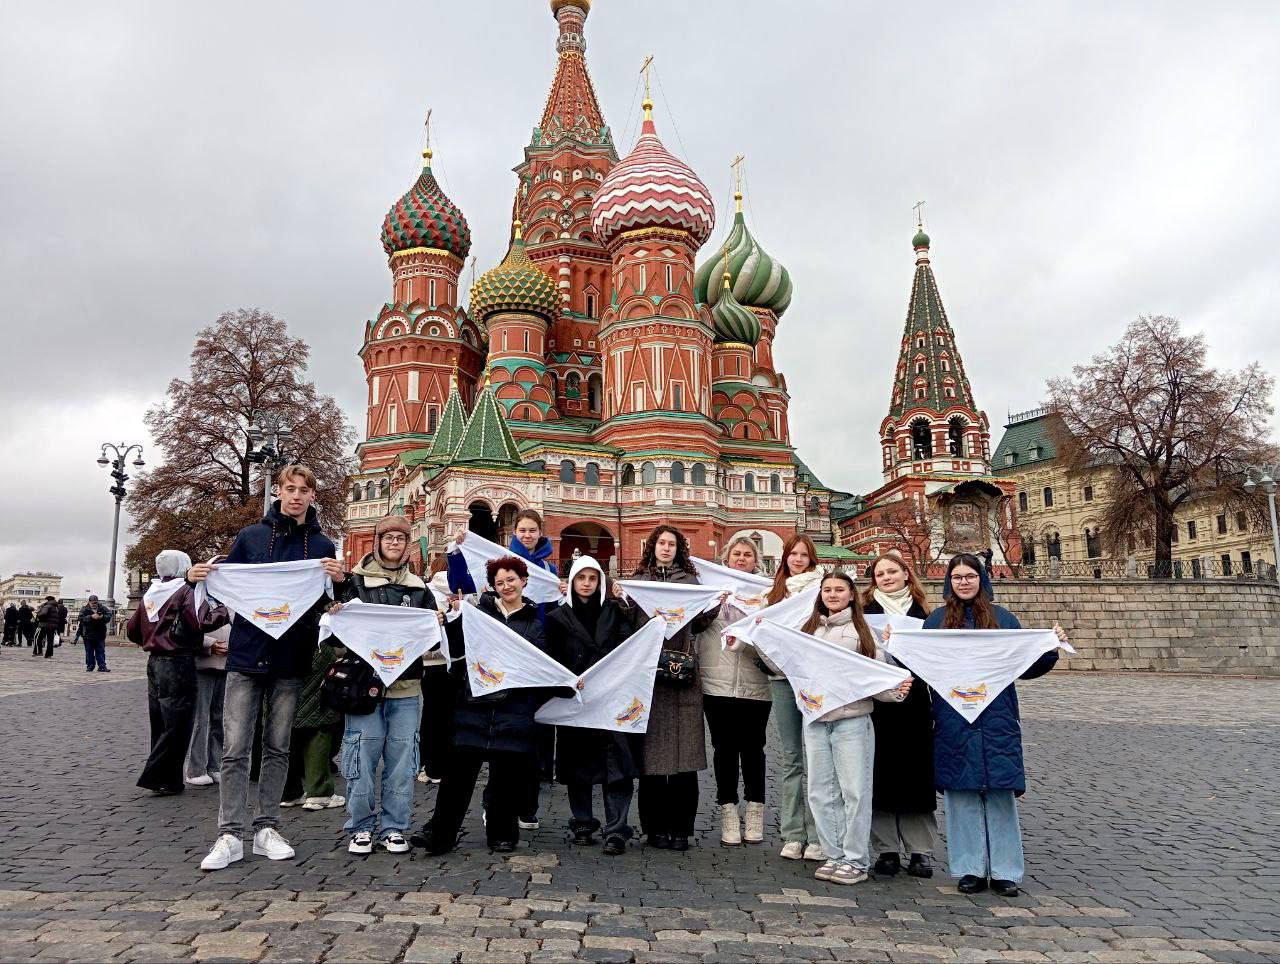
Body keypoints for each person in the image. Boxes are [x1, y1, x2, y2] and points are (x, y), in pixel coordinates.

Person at [191, 464, 346, 872]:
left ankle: (266, 828)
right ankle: (229, 833)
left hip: (291, 657)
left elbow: (328, 604)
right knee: (235, 749)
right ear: (277, 491)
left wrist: (339, 582)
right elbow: (227, 582)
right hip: (246, 654)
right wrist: (198, 577)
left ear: (312, 496)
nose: (296, 496)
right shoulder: (251, 537)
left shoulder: (323, 545)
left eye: (303, 490)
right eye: (289, 488)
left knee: (278, 747)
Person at [915, 553, 1066, 898]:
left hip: (997, 715)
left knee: (999, 794)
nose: (964, 582)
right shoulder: (936, 621)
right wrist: (896, 644)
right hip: (954, 716)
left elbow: (1026, 664)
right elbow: (922, 664)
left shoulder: (1003, 619)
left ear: (981, 579)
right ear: (949, 582)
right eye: (957, 577)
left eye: (970, 576)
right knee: (961, 794)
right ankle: (969, 868)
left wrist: (1050, 647)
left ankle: (1004, 870)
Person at [416, 555, 571, 854]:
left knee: (506, 779)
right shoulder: (478, 615)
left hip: (515, 710)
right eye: (500, 582)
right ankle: (439, 833)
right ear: (492, 587)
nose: (506, 586)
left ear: (524, 581)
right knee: (456, 778)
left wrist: (566, 682)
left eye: (511, 580)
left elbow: (545, 664)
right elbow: (455, 650)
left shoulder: (538, 623)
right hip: (474, 706)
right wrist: (448, 622)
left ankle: (502, 833)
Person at [331, 514, 439, 855]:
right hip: (363, 686)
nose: (394, 543)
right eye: (388, 537)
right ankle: (361, 826)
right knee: (361, 756)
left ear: (408, 545)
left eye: (400, 538)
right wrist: (335, 615)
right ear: (377, 542)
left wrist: (438, 623)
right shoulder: (355, 583)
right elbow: (334, 638)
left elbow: (434, 641)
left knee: (402, 761)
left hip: (406, 687)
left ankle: (395, 827)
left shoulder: (419, 589)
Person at [449, 508, 565, 820]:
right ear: (514, 533)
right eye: (522, 530)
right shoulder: (498, 560)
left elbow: (554, 613)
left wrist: (561, 592)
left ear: (540, 532)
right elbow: (464, 582)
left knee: (533, 737)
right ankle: (495, 805)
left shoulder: (548, 569)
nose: (527, 535)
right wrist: (458, 551)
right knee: (504, 739)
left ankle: (527, 807)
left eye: (532, 530)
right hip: (502, 654)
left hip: (534, 653)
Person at [801, 570, 912, 885]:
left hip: (852, 719)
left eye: (839, 589)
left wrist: (895, 691)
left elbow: (877, 672)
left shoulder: (863, 631)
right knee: (820, 793)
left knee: (854, 792)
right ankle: (834, 854)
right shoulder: (808, 629)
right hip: (817, 720)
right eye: (827, 589)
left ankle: (855, 859)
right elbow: (790, 665)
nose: (832, 594)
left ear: (851, 595)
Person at [545, 555, 641, 856]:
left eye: (592, 578)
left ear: (600, 581)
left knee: (616, 765)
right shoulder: (557, 617)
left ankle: (616, 829)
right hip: (577, 700)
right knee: (578, 765)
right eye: (581, 578)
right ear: (572, 581)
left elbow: (630, 647)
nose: (586, 584)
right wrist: (566, 683)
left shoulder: (614, 611)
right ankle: (583, 823)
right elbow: (551, 658)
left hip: (612, 698)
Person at [632, 525, 715, 853]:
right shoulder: (639, 581)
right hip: (649, 677)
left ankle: (681, 829)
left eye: (672, 544)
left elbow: (700, 624)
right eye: (661, 543)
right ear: (652, 547)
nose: (666, 548)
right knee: (651, 760)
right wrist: (622, 599)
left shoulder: (691, 583)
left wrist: (713, 605)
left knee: (685, 758)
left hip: (684, 677)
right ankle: (653, 828)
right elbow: (630, 623)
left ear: (679, 549)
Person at [127, 551, 230, 795]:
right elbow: (202, 621)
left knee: (160, 722)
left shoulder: (152, 592)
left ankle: (168, 779)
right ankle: (157, 776)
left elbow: (132, 630)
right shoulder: (185, 591)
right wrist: (226, 607)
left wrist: (153, 640)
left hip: (155, 662)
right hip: (179, 661)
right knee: (178, 724)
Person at [861, 553, 936, 878]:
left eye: (892, 571)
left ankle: (920, 850)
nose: (887, 577)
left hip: (915, 701)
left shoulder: (925, 614)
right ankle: (886, 849)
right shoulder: (865, 613)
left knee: (917, 775)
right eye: (880, 574)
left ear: (906, 574)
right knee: (881, 774)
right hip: (879, 702)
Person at [698, 537, 772, 847]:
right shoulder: (710, 590)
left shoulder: (766, 593)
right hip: (716, 681)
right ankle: (728, 812)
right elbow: (695, 625)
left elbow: (773, 636)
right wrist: (715, 604)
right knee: (724, 749)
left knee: (754, 750)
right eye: (736, 554)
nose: (741, 559)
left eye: (747, 555)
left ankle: (754, 812)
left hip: (755, 682)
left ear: (756, 561)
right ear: (726, 559)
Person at [761, 534, 825, 861]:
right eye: (793, 554)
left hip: (814, 680)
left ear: (812, 559)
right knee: (791, 757)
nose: (798, 559)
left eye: (804, 554)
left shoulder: (822, 589)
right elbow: (761, 635)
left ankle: (817, 834)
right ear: (785, 557)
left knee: (817, 757)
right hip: (782, 679)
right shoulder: (774, 594)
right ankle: (792, 832)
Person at [281, 645, 345, 811]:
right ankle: (319, 792)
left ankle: (288, 791)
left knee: (287, 731)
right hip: (314, 658)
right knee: (319, 731)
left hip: (282, 663)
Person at [417, 555, 454, 785]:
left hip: (430, 662)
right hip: (455, 662)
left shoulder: (425, 591)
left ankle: (428, 765)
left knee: (431, 716)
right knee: (448, 716)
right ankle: (442, 763)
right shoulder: (464, 593)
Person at [185, 623, 229, 787]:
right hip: (202, 665)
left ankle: (215, 766)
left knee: (220, 719)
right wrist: (209, 644)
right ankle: (196, 769)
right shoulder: (197, 604)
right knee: (200, 719)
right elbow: (186, 629)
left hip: (227, 665)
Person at [78, 595, 114, 673]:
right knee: (89, 651)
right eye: (93, 603)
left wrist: (102, 617)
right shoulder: (84, 609)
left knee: (100, 651)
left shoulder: (102, 608)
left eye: (96, 603)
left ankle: (102, 666)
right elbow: (80, 618)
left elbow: (109, 615)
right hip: (88, 634)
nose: (94, 604)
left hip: (100, 633)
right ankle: (90, 666)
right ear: (89, 602)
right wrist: (91, 617)